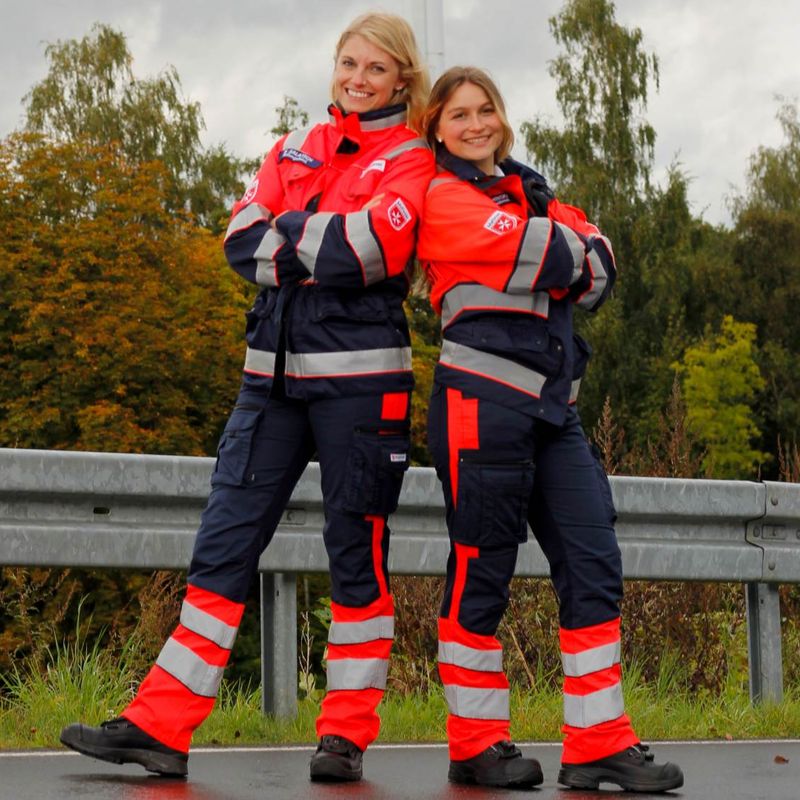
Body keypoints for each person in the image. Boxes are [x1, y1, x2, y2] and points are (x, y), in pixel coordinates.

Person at [60, 12, 435, 783]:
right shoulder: (297, 145)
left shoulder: (411, 158)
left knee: (355, 555)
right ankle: (161, 726)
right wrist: (318, 240)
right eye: (348, 63)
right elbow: (239, 238)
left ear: (402, 78)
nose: (358, 79)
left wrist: (291, 231)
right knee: (222, 545)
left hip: (362, 389)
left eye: (375, 68)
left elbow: (372, 249)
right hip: (268, 386)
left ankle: (345, 736)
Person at [416, 66, 684, 792]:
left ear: (501, 117)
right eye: (459, 114)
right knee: (482, 574)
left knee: (594, 562)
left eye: (486, 110)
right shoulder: (440, 196)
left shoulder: (532, 193)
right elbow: (562, 255)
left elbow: (601, 269)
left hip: (554, 412)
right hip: (479, 406)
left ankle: (598, 743)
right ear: (436, 128)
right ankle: (476, 744)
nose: (476, 124)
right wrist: (567, 248)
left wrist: (567, 248)